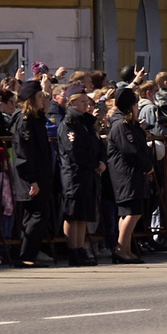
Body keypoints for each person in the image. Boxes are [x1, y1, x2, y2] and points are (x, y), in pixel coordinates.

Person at [8, 83, 58, 266]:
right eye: (39, 97)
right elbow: (23, 153)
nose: (43, 100)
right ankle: (25, 255)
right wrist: (32, 180)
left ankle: (27, 254)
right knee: (37, 214)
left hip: (40, 174)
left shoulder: (36, 119)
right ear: (30, 100)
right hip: (30, 176)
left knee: (37, 214)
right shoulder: (25, 120)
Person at [106, 86, 153, 264]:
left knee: (128, 213)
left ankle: (126, 248)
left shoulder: (128, 124)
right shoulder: (121, 125)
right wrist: (147, 166)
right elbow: (131, 151)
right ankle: (120, 248)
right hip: (126, 173)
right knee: (133, 212)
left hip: (130, 173)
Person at [58, 90, 103, 265]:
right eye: (83, 101)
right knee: (73, 214)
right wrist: (94, 163)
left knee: (83, 214)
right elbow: (74, 150)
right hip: (74, 173)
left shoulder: (86, 122)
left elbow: (97, 145)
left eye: (87, 101)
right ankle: (73, 251)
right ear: (72, 103)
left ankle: (80, 248)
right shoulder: (69, 123)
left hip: (87, 173)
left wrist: (101, 160)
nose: (87, 105)